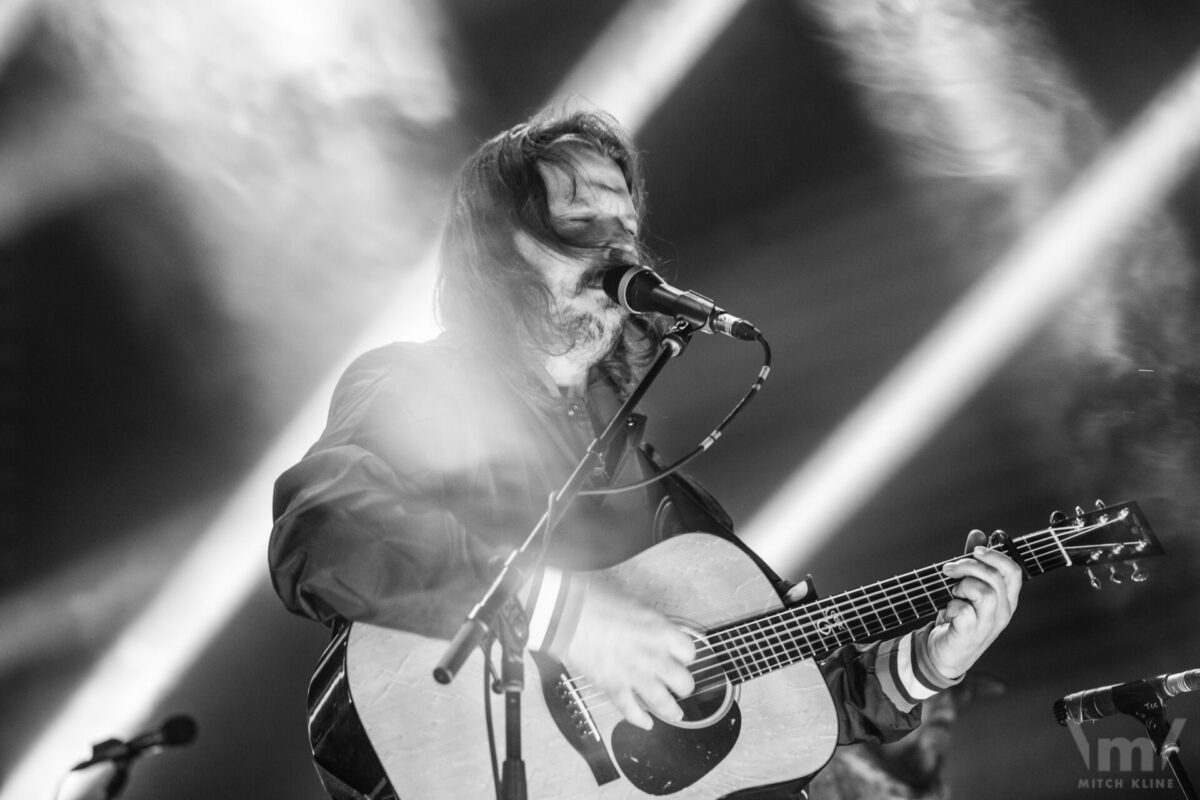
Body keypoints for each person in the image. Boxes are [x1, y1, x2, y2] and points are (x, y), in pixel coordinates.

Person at [268, 105, 1023, 800]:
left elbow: (776, 705)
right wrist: (564, 618)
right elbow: (320, 533)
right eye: (579, 223)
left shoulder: (653, 482)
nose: (614, 255)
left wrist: (923, 665)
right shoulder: (421, 387)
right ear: (496, 248)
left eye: (622, 231)